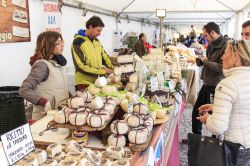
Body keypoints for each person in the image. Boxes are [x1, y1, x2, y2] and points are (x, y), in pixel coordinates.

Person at [197, 40, 250, 165]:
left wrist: (207, 119)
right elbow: (243, 106)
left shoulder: (227, 84)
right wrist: (217, 107)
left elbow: (218, 127)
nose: (222, 57)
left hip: (236, 147)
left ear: (235, 57)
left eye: (225, 53)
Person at [19, 31, 69, 121]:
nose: (62, 45)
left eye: (62, 41)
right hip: (45, 118)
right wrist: (44, 102)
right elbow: (24, 90)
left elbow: (59, 88)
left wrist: (72, 97)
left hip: (59, 115)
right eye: (58, 43)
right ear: (48, 46)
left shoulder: (56, 63)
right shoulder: (42, 65)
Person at [192, 22, 227, 135]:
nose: (205, 38)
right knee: (197, 110)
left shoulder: (226, 46)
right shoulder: (212, 44)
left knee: (213, 115)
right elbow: (210, 61)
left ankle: (214, 142)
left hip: (216, 85)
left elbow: (221, 68)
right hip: (207, 83)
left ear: (212, 33)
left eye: (206, 35)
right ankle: (196, 137)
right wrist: (202, 61)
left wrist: (205, 61)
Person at [71, 16, 113, 91]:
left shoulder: (97, 42)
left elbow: (105, 58)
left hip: (98, 82)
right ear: (90, 27)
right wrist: (103, 71)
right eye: (98, 30)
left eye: (100, 31)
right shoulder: (78, 42)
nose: (99, 34)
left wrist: (114, 68)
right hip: (84, 84)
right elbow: (80, 66)